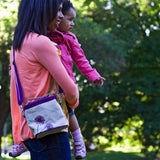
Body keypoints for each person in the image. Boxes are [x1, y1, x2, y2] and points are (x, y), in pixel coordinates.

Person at [9, 0, 79, 159]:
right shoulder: (41, 42)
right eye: (58, 10)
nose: (61, 16)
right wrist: (72, 105)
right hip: (52, 131)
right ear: (44, 9)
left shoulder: (18, 44)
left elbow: (15, 95)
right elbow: (71, 92)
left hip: (32, 130)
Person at [47, 0, 106, 158]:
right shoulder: (43, 36)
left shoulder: (70, 39)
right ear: (56, 17)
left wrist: (93, 76)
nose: (72, 23)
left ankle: (79, 142)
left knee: (70, 112)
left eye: (73, 20)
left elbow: (81, 60)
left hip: (64, 83)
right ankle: (21, 141)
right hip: (46, 85)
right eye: (70, 19)